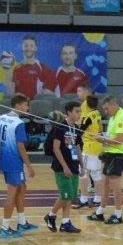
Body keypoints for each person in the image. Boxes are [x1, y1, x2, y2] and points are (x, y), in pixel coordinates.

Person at [0, 94, 35, 239]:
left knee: (22, 188)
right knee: (11, 193)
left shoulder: (1, 118)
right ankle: (4, 227)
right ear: (17, 106)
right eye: (25, 105)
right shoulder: (18, 123)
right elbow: (20, 146)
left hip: (5, 159)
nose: (27, 108)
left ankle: (22, 222)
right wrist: (29, 166)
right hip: (14, 162)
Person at [45, 100, 84, 235]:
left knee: (71, 195)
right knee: (65, 194)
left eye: (80, 111)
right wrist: (65, 167)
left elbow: (78, 147)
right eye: (77, 111)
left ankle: (65, 223)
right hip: (62, 167)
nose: (79, 114)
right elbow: (56, 148)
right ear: (69, 112)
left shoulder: (76, 128)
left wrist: (82, 164)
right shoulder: (60, 127)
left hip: (74, 165)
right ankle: (51, 215)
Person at [93, 93, 123, 224]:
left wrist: (102, 139)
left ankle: (118, 214)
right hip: (109, 154)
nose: (105, 111)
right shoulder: (113, 117)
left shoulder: (121, 117)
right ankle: (100, 212)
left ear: (114, 105)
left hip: (117, 155)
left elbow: (119, 140)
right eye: (104, 108)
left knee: (115, 186)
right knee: (105, 184)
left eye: (107, 108)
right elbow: (111, 136)